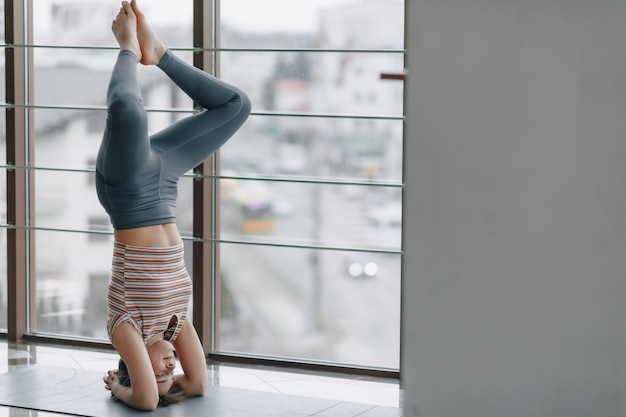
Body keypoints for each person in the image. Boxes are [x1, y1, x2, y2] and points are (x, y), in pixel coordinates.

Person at [98, 0, 250, 410]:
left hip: (127, 191)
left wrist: (119, 389)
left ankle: (127, 46)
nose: (171, 366)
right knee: (236, 106)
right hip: (164, 185)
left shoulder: (124, 328)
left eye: (160, 371)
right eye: (172, 372)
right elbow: (198, 385)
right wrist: (173, 381)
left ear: (133, 366)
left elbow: (147, 401)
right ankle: (158, 53)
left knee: (128, 112)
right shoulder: (172, 326)